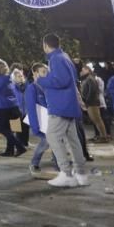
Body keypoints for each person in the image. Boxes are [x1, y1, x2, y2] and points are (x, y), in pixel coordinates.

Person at [39, 34, 88, 188]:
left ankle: (66, 174)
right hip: (69, 105)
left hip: (60, 106)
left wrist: (41, 79)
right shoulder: (64, 56)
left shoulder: (56, 59)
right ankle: (81, 174)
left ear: (46, 45)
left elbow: (61, 81)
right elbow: (69, 79)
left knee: (52, 136)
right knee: (73, 141)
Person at [0, 60, 25, 157]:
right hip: (13, 106)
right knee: (11, 129)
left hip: (1, 106)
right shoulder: (9, 78)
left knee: (1, 128)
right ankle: (9, 151)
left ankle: (20, 147)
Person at [26, 64, 59, 177]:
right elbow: (30, 108)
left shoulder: (48, 86)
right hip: (41, 122)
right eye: (43, 72)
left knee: (55, 141)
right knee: (46, 142)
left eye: (47, 72)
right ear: (35, 73)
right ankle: (34, 163)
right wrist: (35, 126)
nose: (47, 74)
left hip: (52, 119)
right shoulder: (32, 88)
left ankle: (58, 162)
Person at [80, 64, 109, 142]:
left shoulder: (90, 79)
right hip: (91, 102)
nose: (81, 72)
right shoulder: (88, 78)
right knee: (96, 120)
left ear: (88, 70)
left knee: (97, 120)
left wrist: (87, 100)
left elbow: (92, 90)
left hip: (92, 103)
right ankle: (101, 136)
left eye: (83, 70)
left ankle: (104, 137)